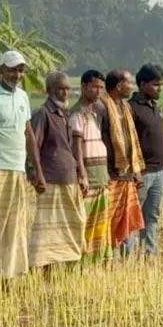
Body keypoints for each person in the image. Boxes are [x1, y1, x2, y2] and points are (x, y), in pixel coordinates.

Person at [0, 50, 45, 279]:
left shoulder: (23, 96)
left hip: (18, 169)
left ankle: (11, 272)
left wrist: (36, 169)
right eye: (12, 70)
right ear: (1, 70)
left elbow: (28, 134)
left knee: (16, 224)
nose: (16, 75)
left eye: (20, 70)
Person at [27, 72, 86, 272]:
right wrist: (36, 175)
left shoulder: (65, 114)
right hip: (51, 180)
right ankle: (46, 272)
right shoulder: (42, 114)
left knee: (74, 225)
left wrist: (80, 174)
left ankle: (67, 271)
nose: (65, 92)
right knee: (48, 231)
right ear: (50, 90)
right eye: (61, 89)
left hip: (69, 179)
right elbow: (33, 146)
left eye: (68, 88)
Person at [101, 69, 146, 254]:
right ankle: (106, 256)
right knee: (108, 219)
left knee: (124, 221)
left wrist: (136, 170)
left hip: (127, 174)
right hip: (110, 173)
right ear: (119, 86)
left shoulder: (126, 108)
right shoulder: (102, 107)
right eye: (129, 83)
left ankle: (121, 258)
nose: (132, 87)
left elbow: (131, 140)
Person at [127, 64, 163, 256]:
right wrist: (134, 170)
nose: (159, 88)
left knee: (152, 216)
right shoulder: (131, 108)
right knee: (132, 216)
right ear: (143, 85)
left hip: (159, 171)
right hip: (141, 172)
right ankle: (127, 256)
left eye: (161, 85)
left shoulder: (155, 107)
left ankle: (148, 255)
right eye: (155, 84)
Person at [71, 71, 112, 263]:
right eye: (95, 87)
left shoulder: (95, 112)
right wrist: (82, 173)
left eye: (101, 88)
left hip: (100, 174)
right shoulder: (77, 113)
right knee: (86, 222)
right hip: (89, 175)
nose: (98, 91)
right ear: (84, 86)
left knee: (101, 223)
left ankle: (97, 260)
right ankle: (82, 261)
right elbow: (76, 146)